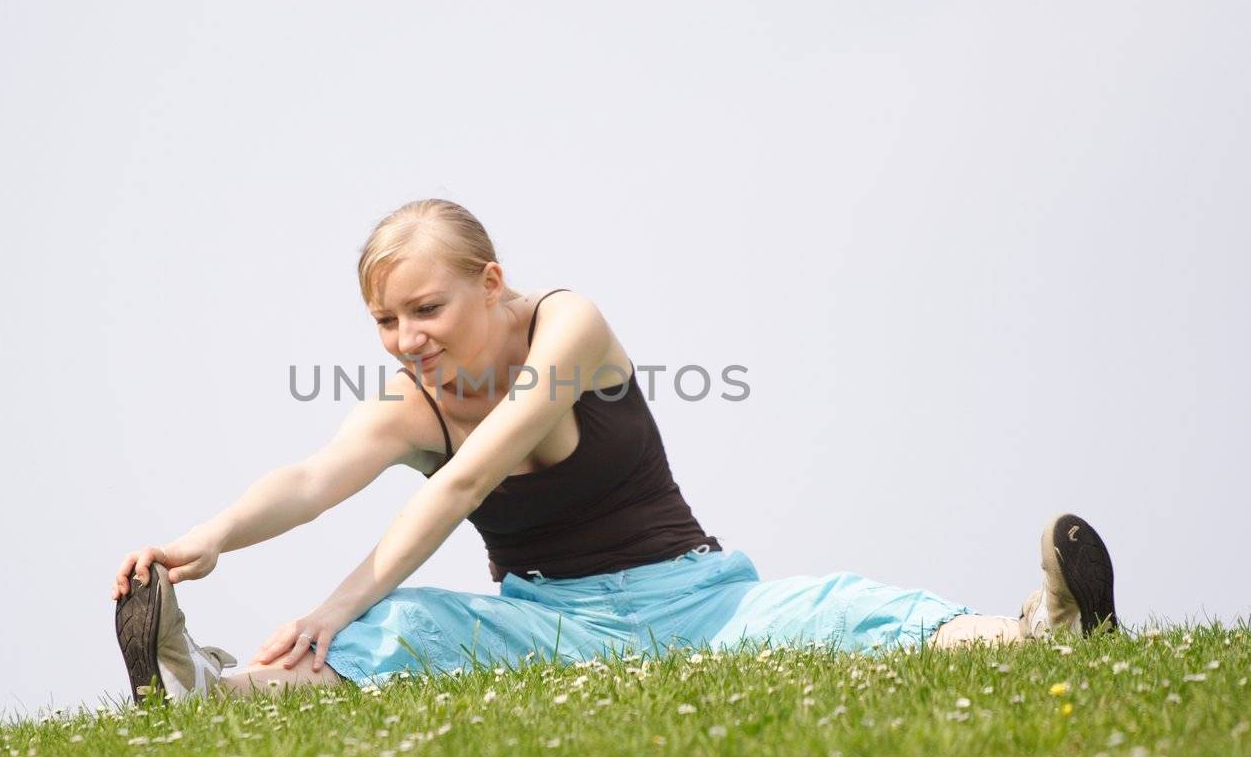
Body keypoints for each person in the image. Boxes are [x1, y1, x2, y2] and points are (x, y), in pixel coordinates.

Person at [111, 200, 1118, 703]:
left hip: (698, 598)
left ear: (491, 280)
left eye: (427, 307)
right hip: (546, 624)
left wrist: (333, 601)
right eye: (384, 319)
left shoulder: (569, 325)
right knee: (400, 630)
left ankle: (1041, 632)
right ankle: (211, 689)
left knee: (853, 607)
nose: (407, 335)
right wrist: (204, 539)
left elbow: (469, 478)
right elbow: (309, 478)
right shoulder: (416, 397)